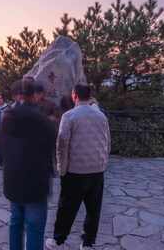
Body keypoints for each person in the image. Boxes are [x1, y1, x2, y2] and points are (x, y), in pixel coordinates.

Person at [45, 84, 111, 250]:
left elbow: (62, 144)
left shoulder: (69, 116)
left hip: (75, 171)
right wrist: (102, 163)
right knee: (93, 210)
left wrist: (62, 168)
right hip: (97, 171)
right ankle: (88, 243)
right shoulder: (101, 116)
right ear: (89, 96)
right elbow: (108, 142)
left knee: (66, 208)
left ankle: (58, 240)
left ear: (74, 95)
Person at [0, 80, 57, 250]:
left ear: (19, 95)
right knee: (34, 227)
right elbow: (51, 148)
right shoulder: (44, 121)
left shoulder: (7, 117)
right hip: (35, 183)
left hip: (12, 180)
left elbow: (2, 148)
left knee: (15, 222)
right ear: (35, 96)